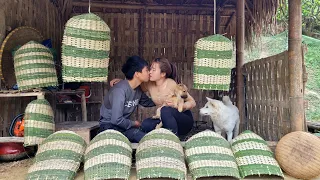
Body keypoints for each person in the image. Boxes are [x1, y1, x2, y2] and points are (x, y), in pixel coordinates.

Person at [111, 58, 196, 136]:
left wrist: (179, 106)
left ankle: (173, 138)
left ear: (162, 74)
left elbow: (192, 102)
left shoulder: (172, 85)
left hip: (183, 121)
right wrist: (123, 82)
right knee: (145, 124)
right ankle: (164, 134)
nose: (150, 72)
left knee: (165, 110)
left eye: (153, 70)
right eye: (150, 69)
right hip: (164, 119)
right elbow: (134, 84)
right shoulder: (149, 84)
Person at [99, 56, 155, 143]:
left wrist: (166, 98)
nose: (149, 73)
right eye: (147, 70)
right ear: (137, 74)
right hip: (109, 127)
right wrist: (134, 123)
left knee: (149, 130)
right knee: (142, 137)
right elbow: (116, 119)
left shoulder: (137, 89)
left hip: (123, 126)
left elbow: (149, 102)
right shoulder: (120, 90)